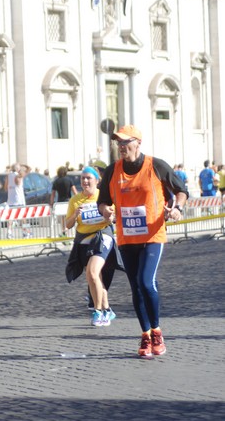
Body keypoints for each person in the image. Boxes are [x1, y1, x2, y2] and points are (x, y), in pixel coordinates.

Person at [98, 124, 188, 357]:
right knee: (135, 286)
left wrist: (176, 209)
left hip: (152, 235)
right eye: (118, 143)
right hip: (127, 238)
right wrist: (105, 211)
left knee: (146, 282)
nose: (121, 146)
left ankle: (157, 331)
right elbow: (103, 201)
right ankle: (145, 335)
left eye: (126, 142)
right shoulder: (112, 171)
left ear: (138, 143)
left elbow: (181, 190)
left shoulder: (156, 165)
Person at [65, 166, 118, 327]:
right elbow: (67, 225)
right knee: (95, 277)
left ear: (97, 180)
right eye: (83, 178)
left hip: (103, 237)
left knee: (93, 272)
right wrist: (75, 215)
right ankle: (107, 309)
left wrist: (110, 217)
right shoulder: (75, 200)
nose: (85, 181)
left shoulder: (104, 197)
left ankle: (98, 311)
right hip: (84, 241)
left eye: (89, 178)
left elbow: (114, 217)